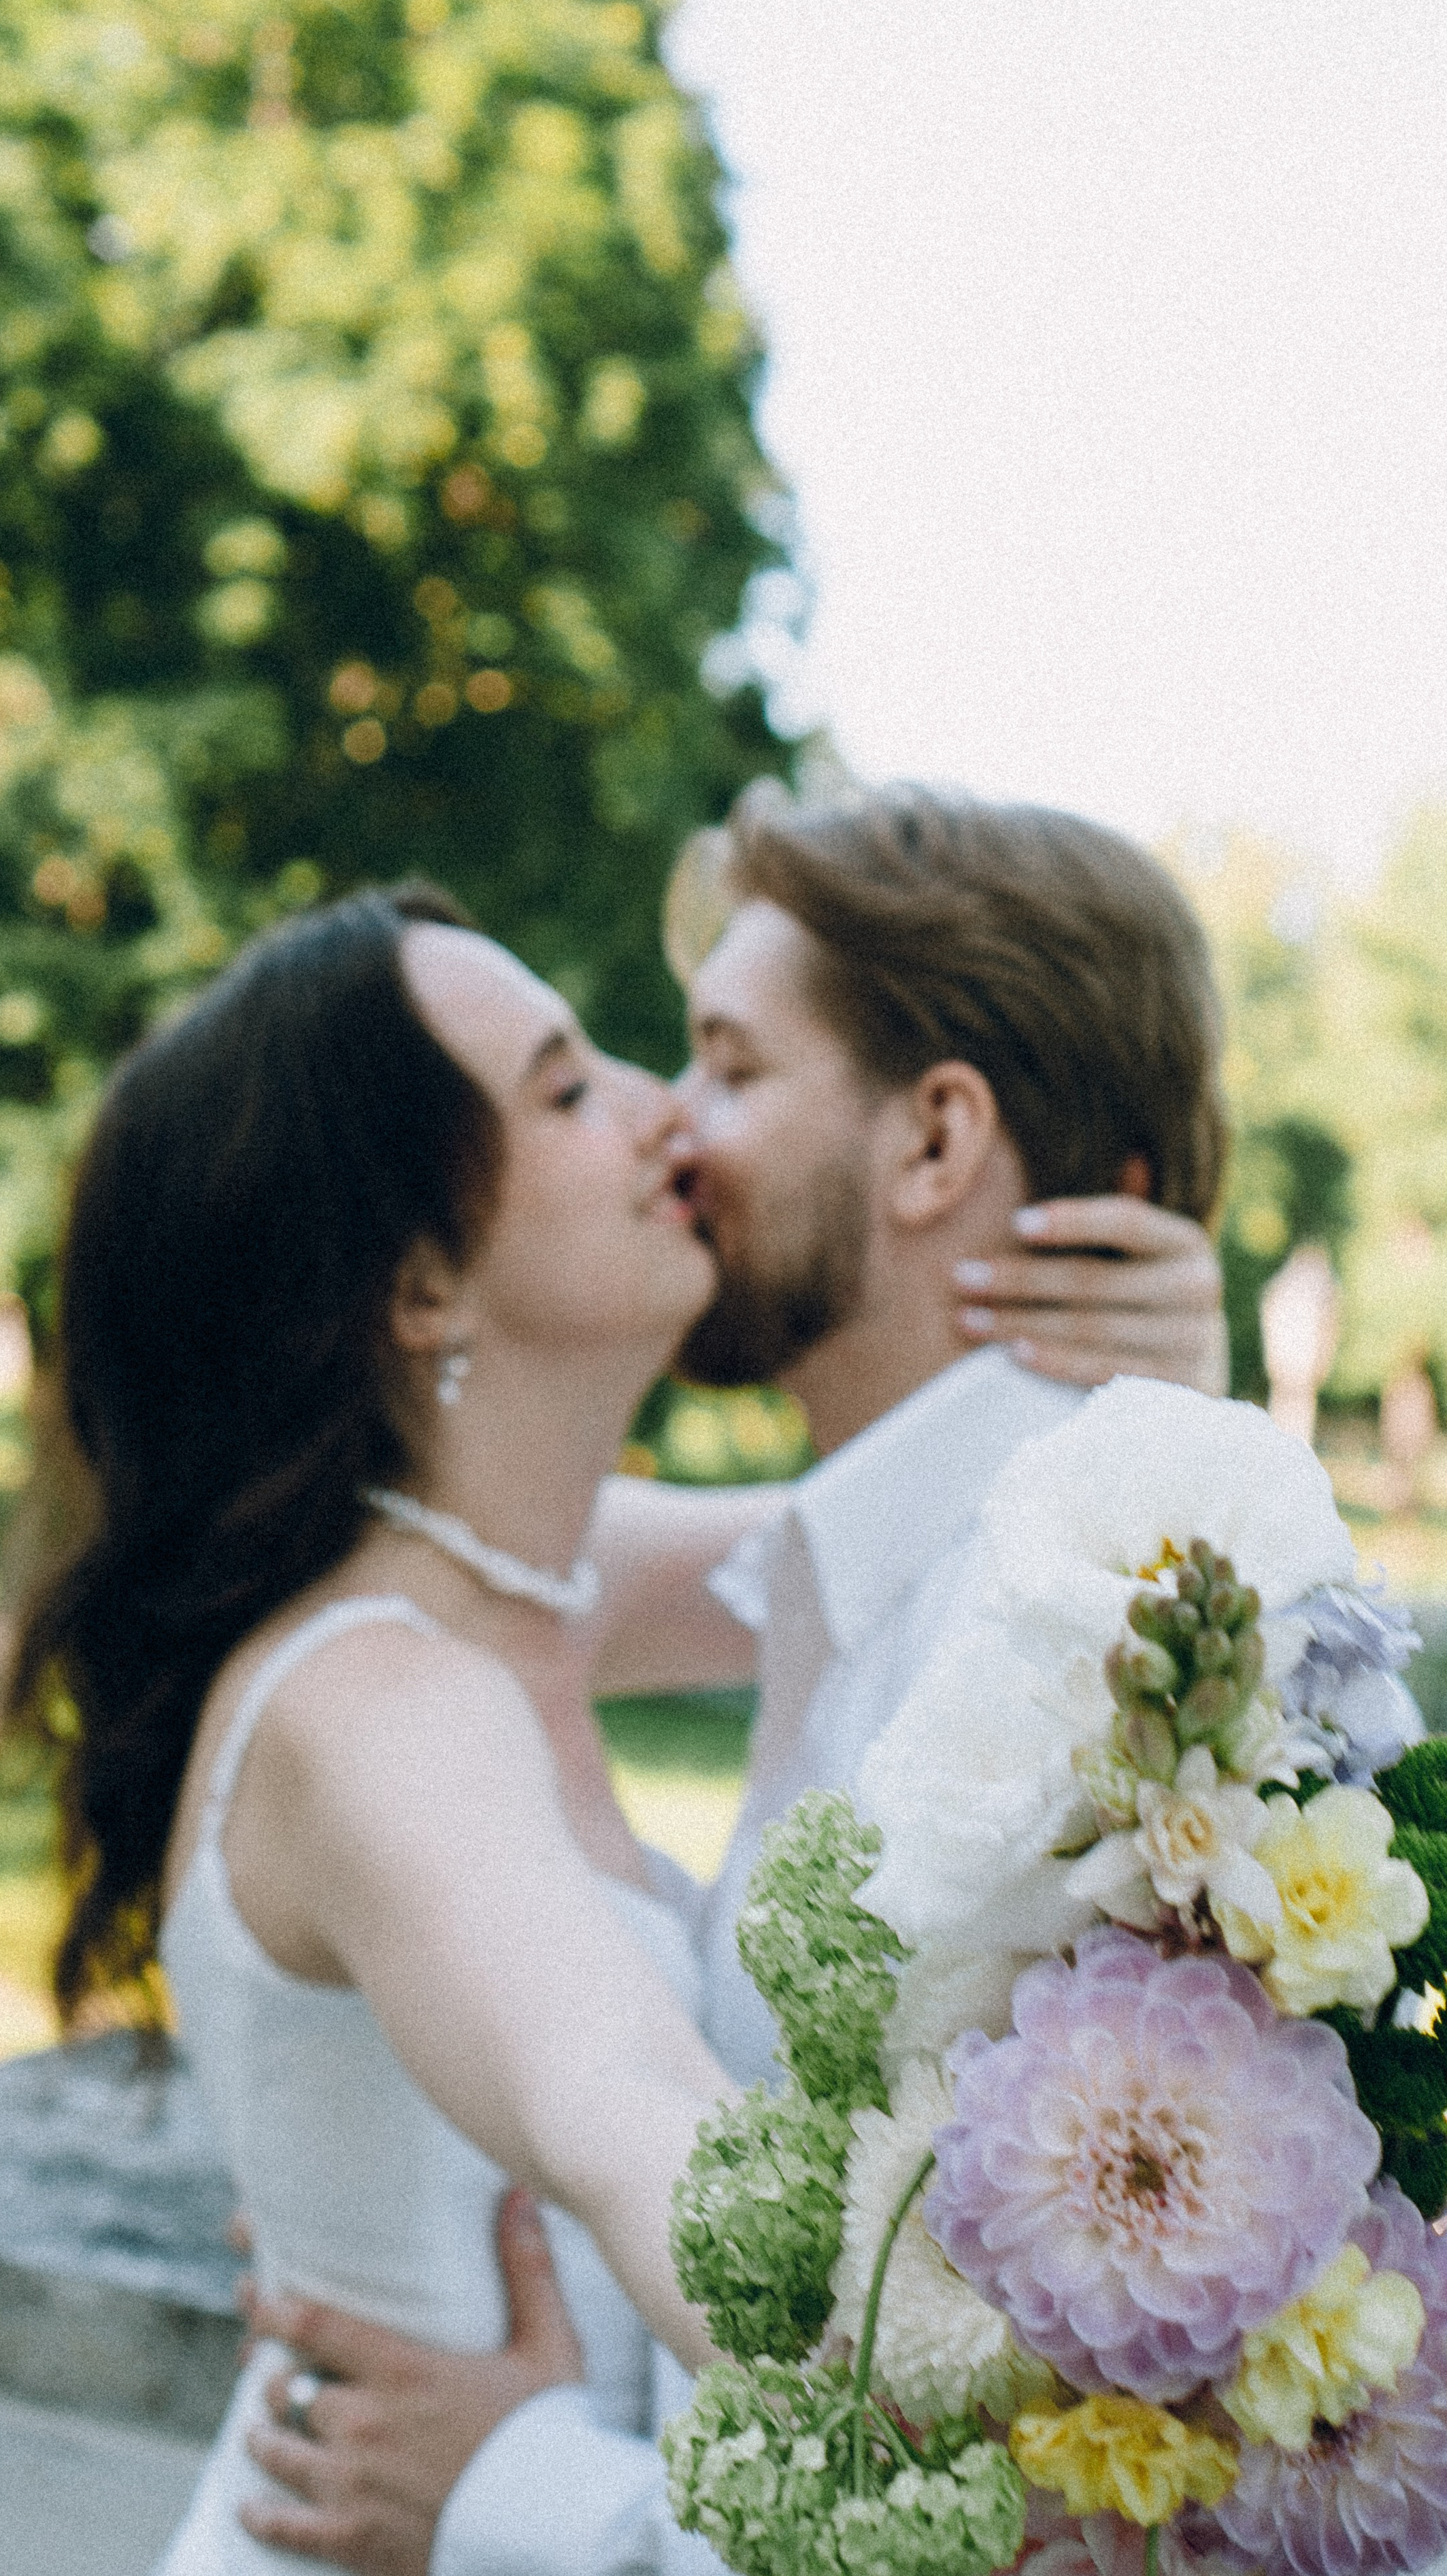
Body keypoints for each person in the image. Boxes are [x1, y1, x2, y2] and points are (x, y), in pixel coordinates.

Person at [236, 784, 1231, 2576]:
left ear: (937, 1148)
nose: (669, 1126)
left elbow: (1086, 2504)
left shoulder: (1087, 1673)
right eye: (585, 1083)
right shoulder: (826, 1573)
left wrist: (509, 2495)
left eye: (728, 1066)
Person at [7, 882, 754, 2575]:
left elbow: (912, 1540)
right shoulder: (376, 1704)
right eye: (567, 1090)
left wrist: (1134, 1361)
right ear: (420, 1285)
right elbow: (615, 2089)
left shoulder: (533, 1591)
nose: (663, 1107)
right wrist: (924, 2390)